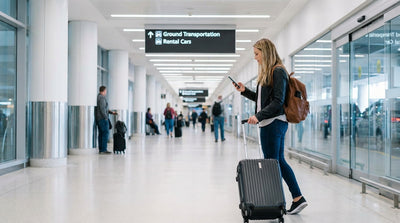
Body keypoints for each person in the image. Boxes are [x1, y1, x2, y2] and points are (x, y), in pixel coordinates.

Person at [233, 38, 307, 215]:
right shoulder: (269, 73)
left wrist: (257, 117)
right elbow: (262, 101)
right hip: (271, 123)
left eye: (257, 54)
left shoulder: (278, 71)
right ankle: (296, 198)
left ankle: (275, 202)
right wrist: (245, 92)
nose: (256, 58)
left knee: (271, 164)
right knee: (277, 162)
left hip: (273, 123)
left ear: (266, 53)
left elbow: (278, 102)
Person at [95, 86, 117, 154]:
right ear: (104, 91)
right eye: (106, 91)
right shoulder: (101, 98)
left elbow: (104, 109)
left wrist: (111, 112)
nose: (106, 92)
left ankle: (101, 149)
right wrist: (106, 118)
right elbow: (102, 109)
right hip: (102, 119)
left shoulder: (99, 97)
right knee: (105, 133)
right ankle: (103, 149)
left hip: (100, 118)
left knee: (101, 134)